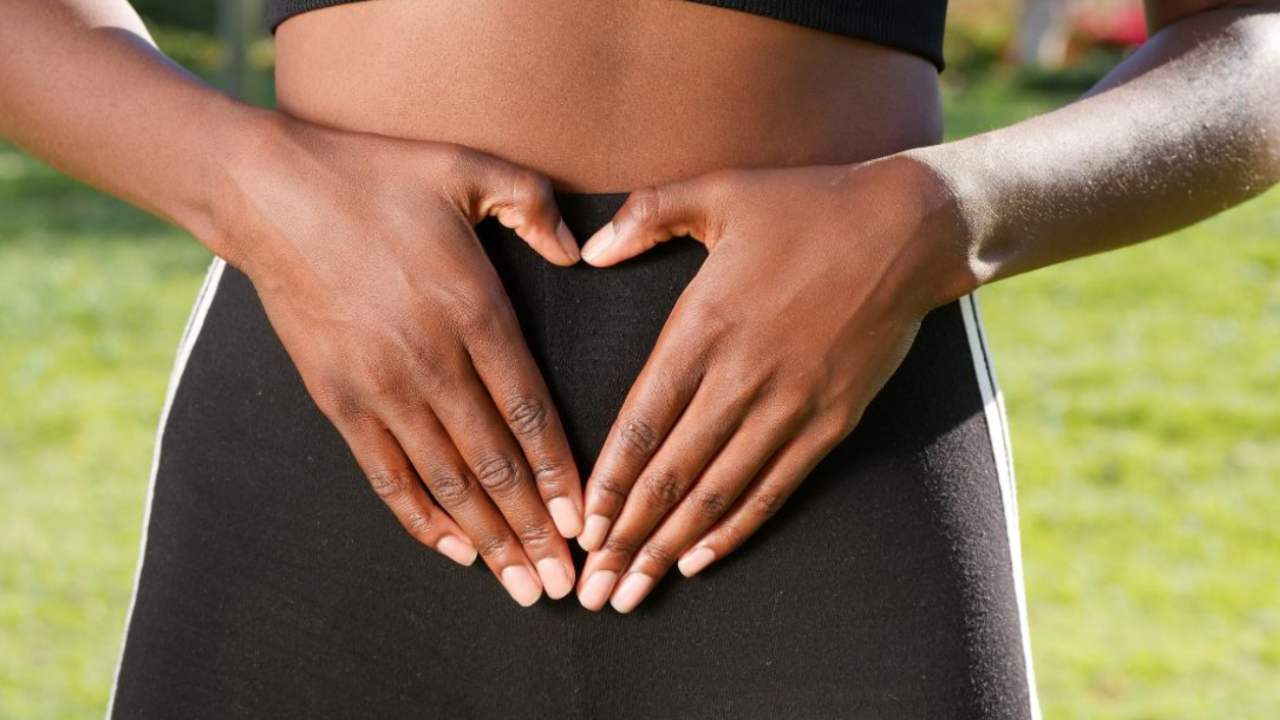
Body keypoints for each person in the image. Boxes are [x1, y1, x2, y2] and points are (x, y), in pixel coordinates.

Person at [2, 1, 1276, 717]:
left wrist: (941, 216)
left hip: (833, 459)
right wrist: (252, 187)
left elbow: (1252, 40)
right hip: (336, 442)